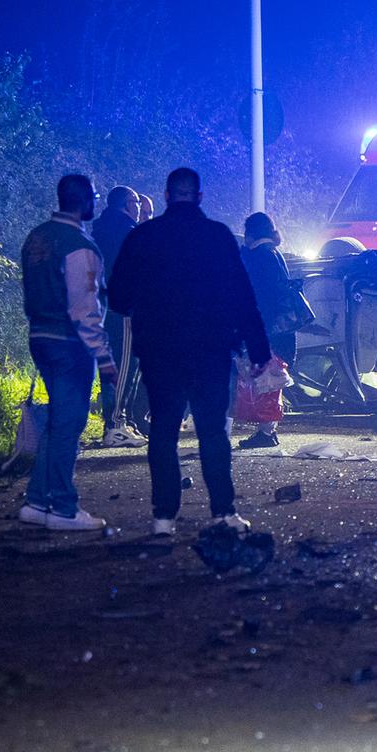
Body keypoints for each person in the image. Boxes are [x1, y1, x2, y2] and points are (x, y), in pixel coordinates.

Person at [108, 167, 271, 537]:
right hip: (210, 350)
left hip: (160, 351)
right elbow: (242, 296)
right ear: (199, 196)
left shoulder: (144, 236)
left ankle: (164, 517)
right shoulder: (218, 236)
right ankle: (223, 512)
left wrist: (145, 311)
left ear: (166, 196)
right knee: (213, 432)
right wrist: (258, 347)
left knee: (163, 431)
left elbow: (117, 296)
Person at [18, 174, 120, 532]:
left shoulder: (37, 238)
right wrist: (104, 355)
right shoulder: (78, 245)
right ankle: (62, 506)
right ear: (84, 201)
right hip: (69, 343)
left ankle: (36, 500)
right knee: (69, 423)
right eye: (94, 196)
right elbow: (83, 307)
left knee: (59, 421)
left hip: (40, 335)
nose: (95, 201)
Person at [90, 185, 145, 448]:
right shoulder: (125, 231)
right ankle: (115, 424)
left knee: (116, 365)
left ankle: (123, 421)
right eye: (135, 202)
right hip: (124, 308)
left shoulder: (101, 228)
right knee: (125, 366)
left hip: (107, 305)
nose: (138, 207)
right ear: (125, 203)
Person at [238, 211, 292, 450]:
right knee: (272, 381)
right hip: (280, 328)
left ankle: (266, 432)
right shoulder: (275, 254)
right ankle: (268, 430)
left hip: (264, 328)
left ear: (250, 234)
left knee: (267, 381)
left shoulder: (257, 257)